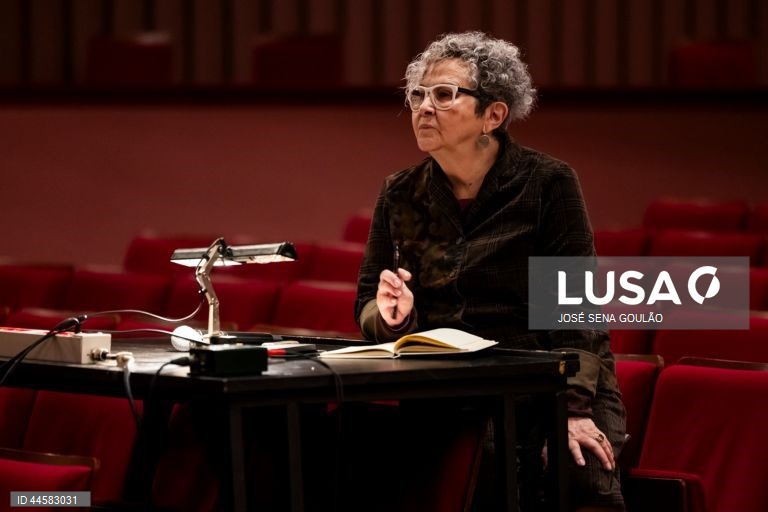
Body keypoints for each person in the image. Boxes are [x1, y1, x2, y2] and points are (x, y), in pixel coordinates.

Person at [355, 31, 626, 511]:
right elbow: (366, 308)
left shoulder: (547, 183)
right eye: (417, 95)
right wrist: (393, 318)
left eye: (443, 94)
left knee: (578, 471)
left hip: (549, 382)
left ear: (493, 115)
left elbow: (575, 305)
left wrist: (574, 410)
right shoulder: (399, 192)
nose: (423, 107)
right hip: (452, 390)